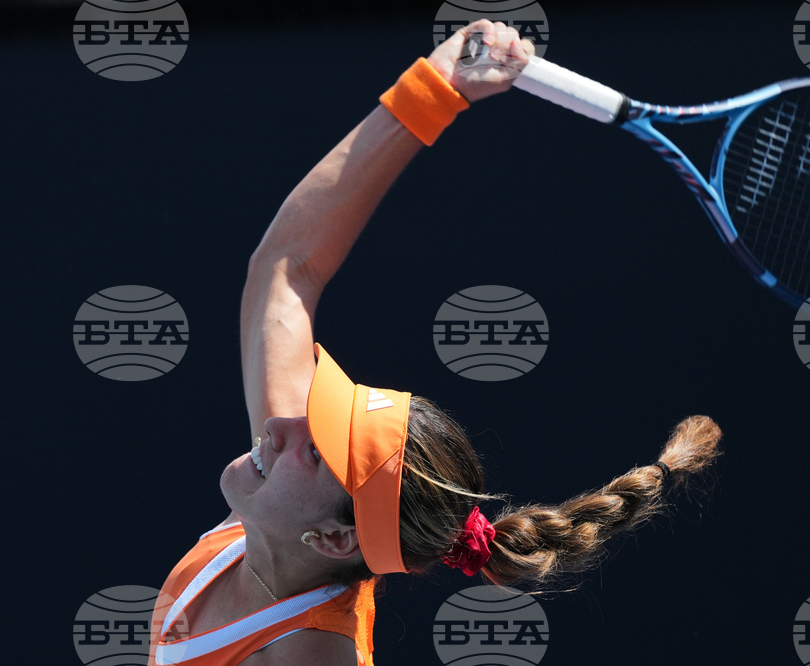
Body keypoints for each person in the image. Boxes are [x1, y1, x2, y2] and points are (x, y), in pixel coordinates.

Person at [147, 19, 722, 666]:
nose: (279, 429)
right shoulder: (279, 518)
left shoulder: (306, 651)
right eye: (314, 425)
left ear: (334, 539)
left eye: (313, 451)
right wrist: (436, 89)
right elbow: (286, 269)